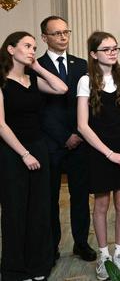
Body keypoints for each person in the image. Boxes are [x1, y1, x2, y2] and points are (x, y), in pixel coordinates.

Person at [0, 31, 68, 280]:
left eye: (33, 47)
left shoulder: (32, 79)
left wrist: (37, 66)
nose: (32, 50)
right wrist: (24, 153)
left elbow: (61, 88)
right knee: (16, 210)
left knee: (40, 209)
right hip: (12, 152)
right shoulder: (2, 82)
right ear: (10, 49)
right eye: (27, 46)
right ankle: (15, 270)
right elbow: (1, 125)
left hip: (38, 148)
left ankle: (38, 265)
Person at [77, 32, 120, 279]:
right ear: (94, 54)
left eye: (115, 48)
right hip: (99, 150)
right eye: (106, 49)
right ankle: (104, 256)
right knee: (102, 204)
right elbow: (83, 126)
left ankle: (119, 253)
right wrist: (109, 154)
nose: (113, 52)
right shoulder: (85, 81)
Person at [38, 15, 97, 263]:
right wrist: (64, 137)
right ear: (44, 38)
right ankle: (51, 247)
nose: (63, 37)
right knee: (50, 198)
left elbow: (89, 104)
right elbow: (39, 109)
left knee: (81, 196)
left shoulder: (81, 65)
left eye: (66, 32)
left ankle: (81, 244)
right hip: (51, 143)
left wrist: (78, 134)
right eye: (57, 33)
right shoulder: (35, 66)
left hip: (80, 142)